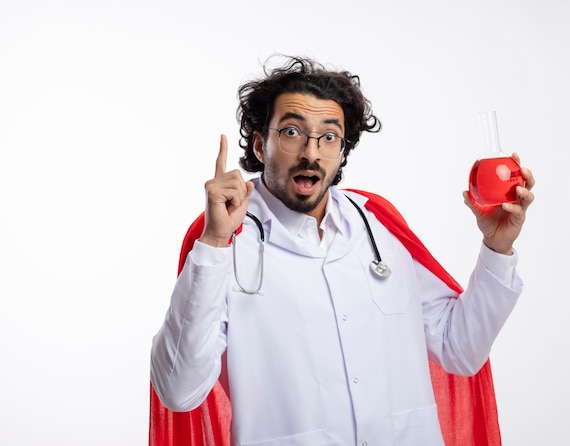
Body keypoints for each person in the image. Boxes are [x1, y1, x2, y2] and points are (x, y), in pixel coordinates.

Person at [150, 55, 535, 446]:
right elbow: (179, 392)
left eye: (329, 137)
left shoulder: (378, 226)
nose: (311, 153)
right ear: (259, 145)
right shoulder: (224, 240)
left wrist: (497, 248)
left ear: (343, 150)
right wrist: (214, 245)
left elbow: (460, 350)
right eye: (291, 132)